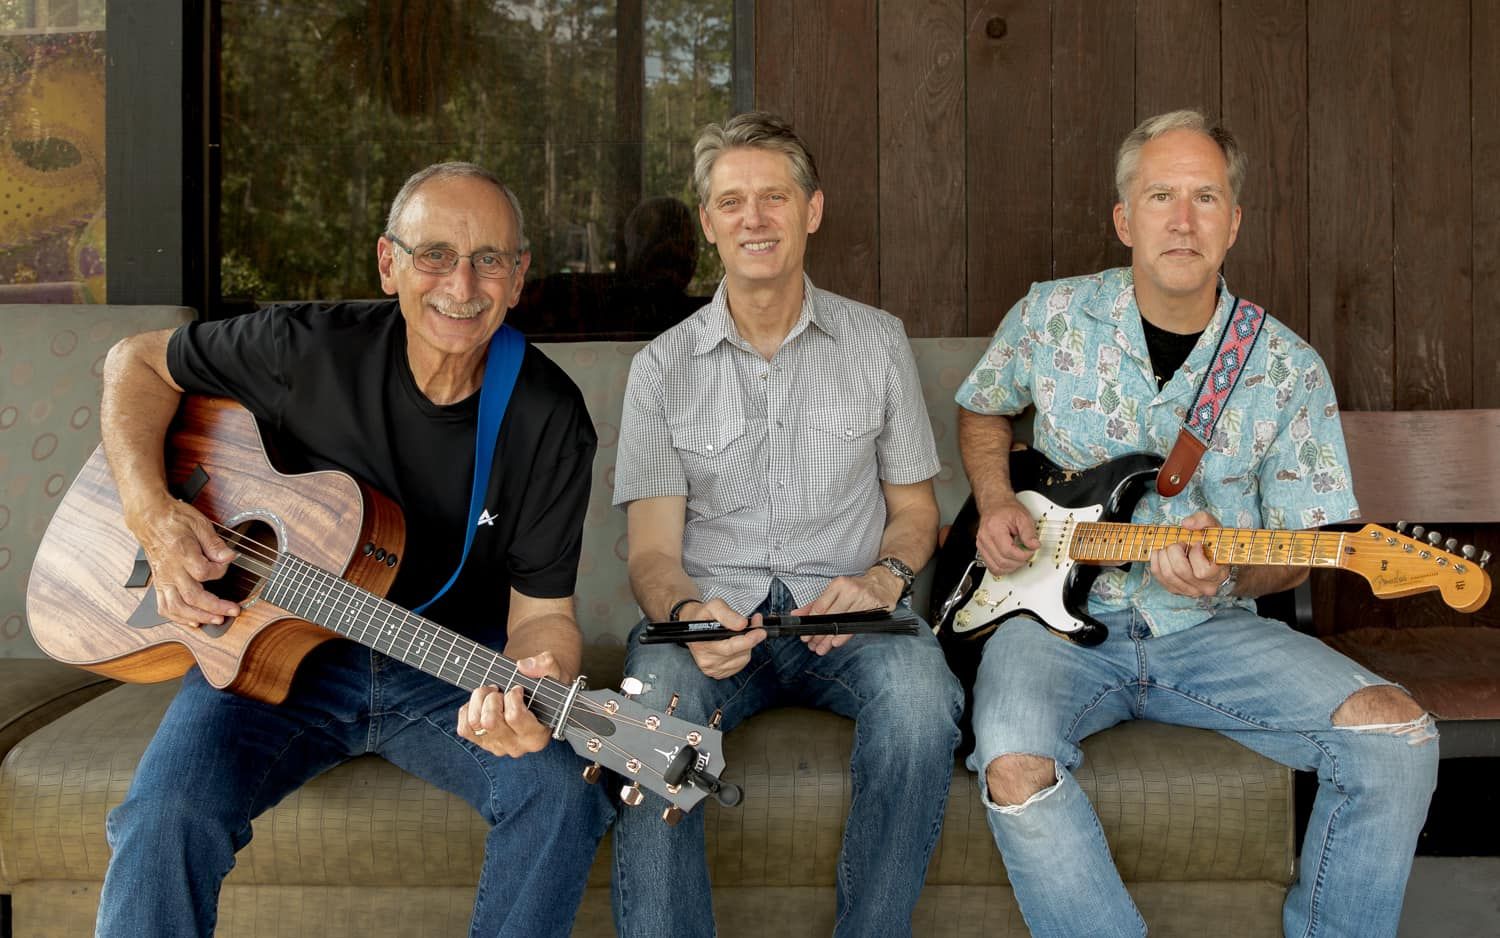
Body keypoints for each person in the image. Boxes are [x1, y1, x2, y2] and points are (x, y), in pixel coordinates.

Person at [94, 162, 613, 937]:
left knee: (566, 792)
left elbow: (543, 616)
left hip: (447, 667)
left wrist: (544, 686)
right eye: (434, 253)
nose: (461, 284)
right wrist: (152, 513)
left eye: (489, 260)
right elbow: (133, 361)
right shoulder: (303, 348)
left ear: (518, 277)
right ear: (388, 262)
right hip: (265, 650)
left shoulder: (547, 415)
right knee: (164, 813)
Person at [954, 110, 1438, 938]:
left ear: (1235, 221)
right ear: (1124, 218)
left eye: (1206, 197)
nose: (1182, 220)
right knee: (1014, 765)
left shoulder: (1287, 368)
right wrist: (998, 501)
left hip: (1209, 630)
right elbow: (982, 411)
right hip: (1046, 627)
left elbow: (1304, 550)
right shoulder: (1051, 316)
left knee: (1398, 738)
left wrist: (1233, 574)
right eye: (1160, 196)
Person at [609, 111, 963, 938]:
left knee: (922, 703)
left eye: (774, 197)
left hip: (855, 622)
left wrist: (882, 580)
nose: (754, 219)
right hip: (714, 623)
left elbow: (916, 513)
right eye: (731, 202)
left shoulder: (877, 343)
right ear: (708, 224)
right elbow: (654, 555)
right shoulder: (660, 368)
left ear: (813, 210)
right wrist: (686, 615)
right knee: (648, 717)